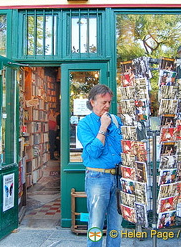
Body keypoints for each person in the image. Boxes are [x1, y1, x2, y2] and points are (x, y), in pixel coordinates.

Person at [77, 84, 123, 247]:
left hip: (118, 177)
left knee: (116, 223)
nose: (107, 106)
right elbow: (94, 152)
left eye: (109, 102)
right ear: (92, 102)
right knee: (96, 222)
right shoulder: (84, 124)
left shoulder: (116, 121)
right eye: (103, 102)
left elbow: (122, 148)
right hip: (97, 177)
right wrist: (103, 127)